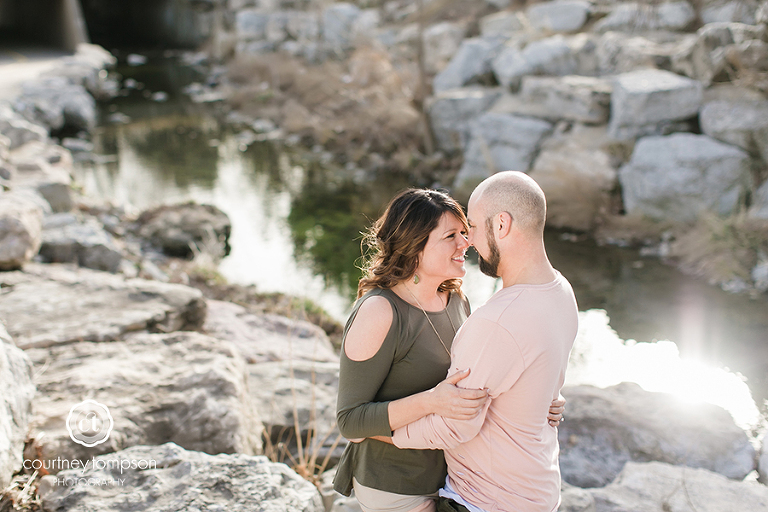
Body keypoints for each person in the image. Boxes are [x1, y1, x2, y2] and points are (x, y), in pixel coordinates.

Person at [334, 188, 566, 512]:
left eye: (464, 232)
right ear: (414, 246)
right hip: (395, 486)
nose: (466, 243)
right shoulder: (380, 312)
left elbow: (478, 383)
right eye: (451, 236)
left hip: (451, 482)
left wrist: (538, 400)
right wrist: (431, 401)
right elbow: (350, 420)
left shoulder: (456, 299)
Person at [390, 171, 579, 512]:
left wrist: (376, 429)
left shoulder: (498, 321)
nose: (468, 242)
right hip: (537, 493)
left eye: (473, 227)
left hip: (484, 502)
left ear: (502, 225)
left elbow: (455, 425)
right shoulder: (560, 291)